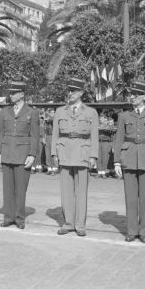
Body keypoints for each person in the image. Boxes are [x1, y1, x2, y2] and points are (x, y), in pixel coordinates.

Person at [113, 81, 145, 243]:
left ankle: (144, 232)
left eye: (136, 95)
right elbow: (119, 139)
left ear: (144, 97)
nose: (132, 97)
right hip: (128, 158)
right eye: (131, 94)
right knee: (130, 198)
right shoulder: (124, 116)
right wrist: (116, 162)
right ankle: (131, 230)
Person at [52, 77, 99, 237]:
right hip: (64, 152)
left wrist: (93, 156)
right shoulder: (60, 111)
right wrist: (54, 153)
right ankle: (68, 223)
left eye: (73, 91)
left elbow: (94, 136)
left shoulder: (91, 112)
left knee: (81, 191)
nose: (70, 93)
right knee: (66, 191)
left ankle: (80, 225)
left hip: (82, 153)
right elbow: (55, 135)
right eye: (69, 90)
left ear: (81, 93)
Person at [0, 80, 40, 229]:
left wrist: (32, 154)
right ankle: (8, 217)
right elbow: (0, 132)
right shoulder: (4, 111)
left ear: (22, 94)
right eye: (10, 92)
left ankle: (20, 218)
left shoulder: (32, 112)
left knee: (21, 189)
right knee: (7, 189)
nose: (11, 95)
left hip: (22, 154)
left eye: (14, 92)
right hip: (7, 152)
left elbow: (34, 135)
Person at [97, 112, 113, 179]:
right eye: (100, 118)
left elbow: (110, 130)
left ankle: (103, 173)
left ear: (105, 119)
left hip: (106, 142)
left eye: (102, 118)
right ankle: (99, 173)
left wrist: (103, 127)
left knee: (105, 158)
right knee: (98, 158)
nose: (101, 119)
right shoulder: (97, 125)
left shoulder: (108, 125)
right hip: (98, 142)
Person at [43, 107, 56, 175]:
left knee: (53, 153)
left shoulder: (54, 119)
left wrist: (48, 119)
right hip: (47, 136)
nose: (52, 113)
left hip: (53, 137)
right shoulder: (46, 120)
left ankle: (54, 169)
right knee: (47, 153)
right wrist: (44, 138)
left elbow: (53, 120)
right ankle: (49, 169)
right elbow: (44, 130)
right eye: (50, 112)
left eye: (52, 112)